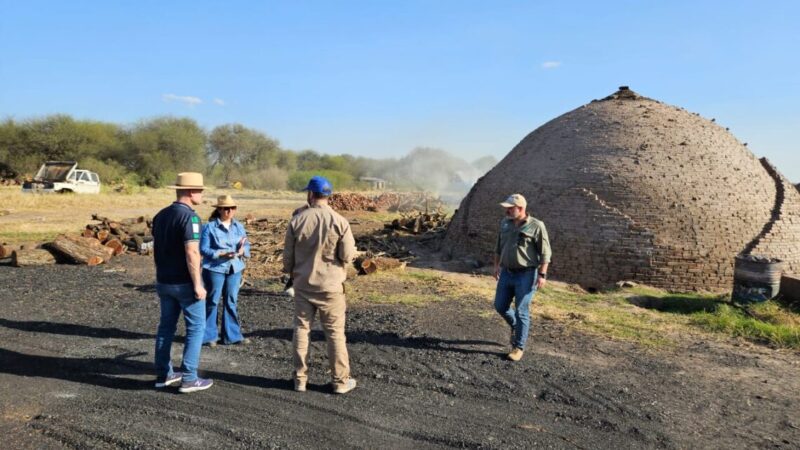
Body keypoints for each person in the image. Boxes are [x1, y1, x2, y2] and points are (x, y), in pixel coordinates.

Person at [283, 175, 358, 394]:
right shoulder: (340, 221)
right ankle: (340, 382)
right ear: (328, 195)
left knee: (302, 330)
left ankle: (300, 380)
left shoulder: (297, 220)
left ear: (310, 194)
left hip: (303, 285)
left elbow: (287, 259)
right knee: (335, 335)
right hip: (331, 287)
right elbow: (346, 255)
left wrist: (294, 273)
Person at [152, 172, 213, 393]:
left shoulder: (160, 216)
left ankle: (163, 374)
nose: (202, 194)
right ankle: (189, 378)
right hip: (185, 283)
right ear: (190, 191)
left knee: (165, 328)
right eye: (200, 190)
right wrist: (198, 283)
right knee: (196, 328)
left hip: (163, 280)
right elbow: (192, 253)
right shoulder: (191, 218)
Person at [493, 193, 551, 362]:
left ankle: (518, 347)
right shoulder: (505, 223)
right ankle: (517, 327)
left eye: (510, 208)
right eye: (506, 208)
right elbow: (498, 246)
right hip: (506, 272)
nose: (507, 211)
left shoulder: (537, 226)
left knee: (521, 310)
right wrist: (496, 266)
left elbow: (545, 252)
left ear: (521, 208)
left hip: (526, 275)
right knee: (500, 305)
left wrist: (542, 274)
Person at [200, 194, 251, 347]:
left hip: (235, 267)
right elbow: (203, 249)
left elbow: (246, 245)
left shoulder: (239, 226)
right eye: (226, 208)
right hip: (215, 268)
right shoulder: (209, 227)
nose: (229, 211)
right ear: (219, 209)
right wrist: (220, 254)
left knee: (231, 300)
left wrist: (243, 251)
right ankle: (209, 336)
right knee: (213, 300)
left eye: (232, 208)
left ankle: (232, 336)